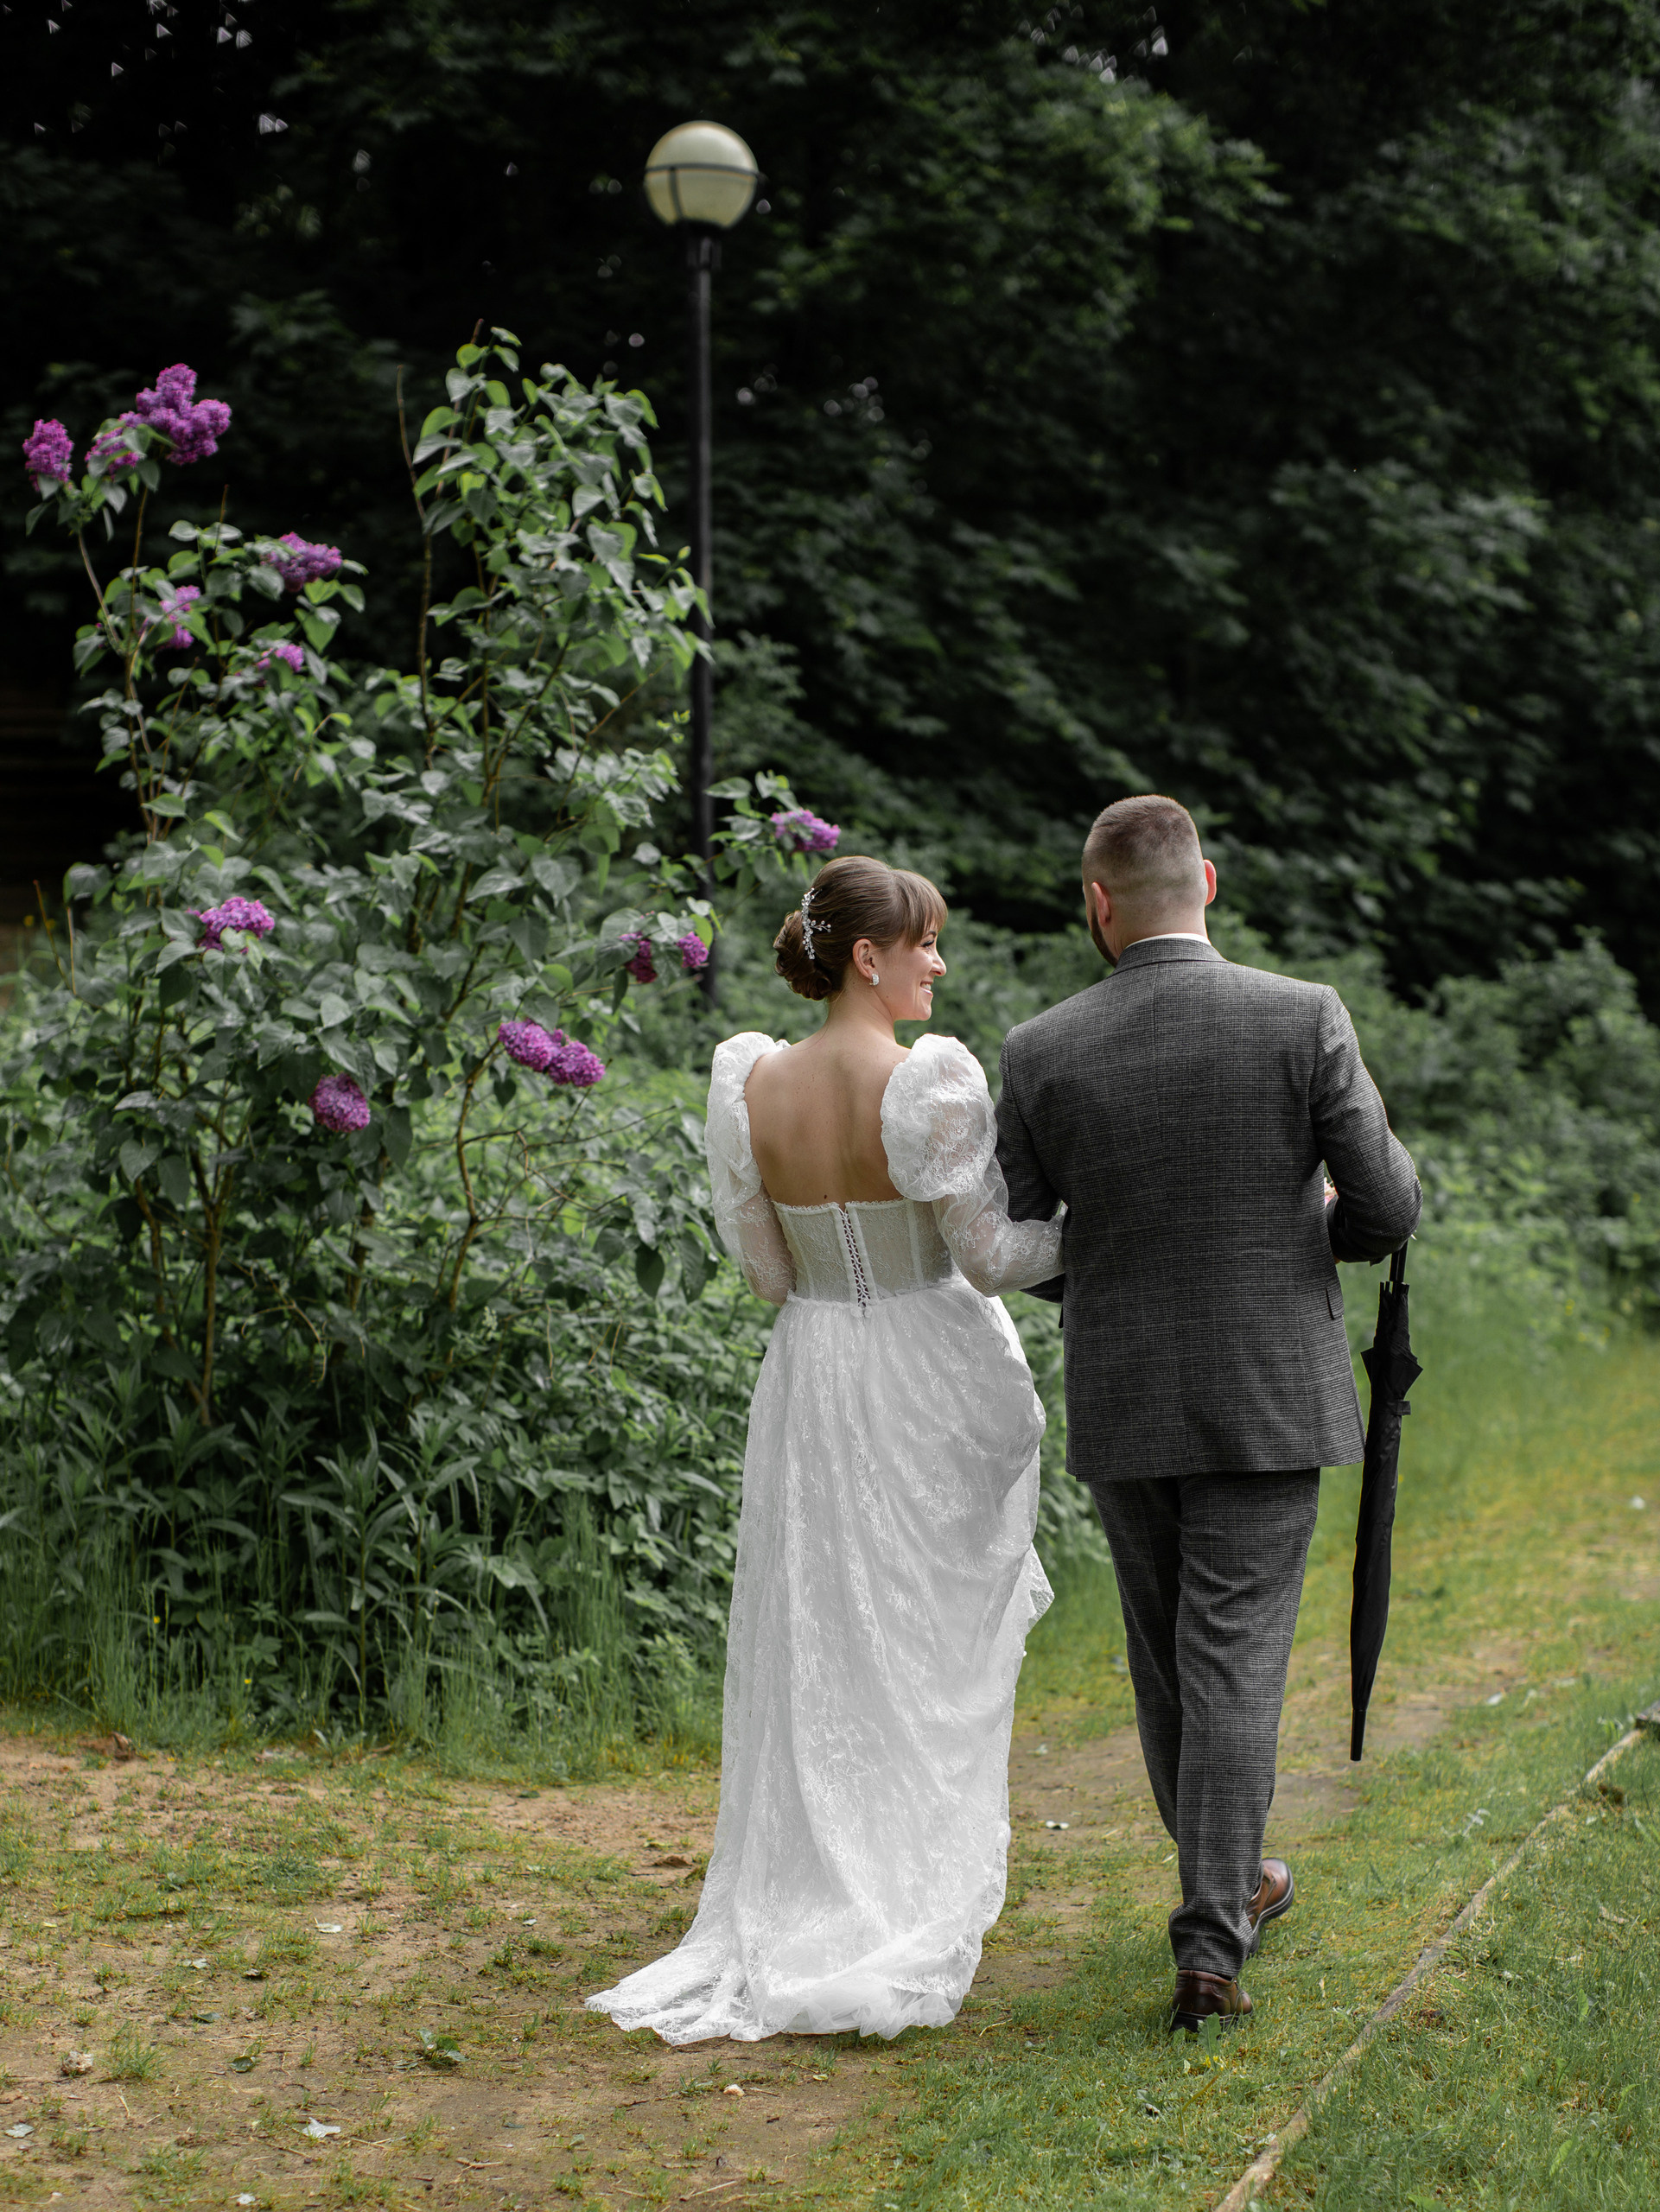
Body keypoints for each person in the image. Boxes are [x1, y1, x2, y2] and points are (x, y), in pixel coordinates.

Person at [587, 855, 1064, 2044]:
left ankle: (816, 1877)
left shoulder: (751, 1082)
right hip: (922, 1367)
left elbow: (763, 1275)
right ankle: (895, 1883)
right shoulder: (927, 1082)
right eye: (925, 945)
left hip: (812, 1370)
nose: (939, 965)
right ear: (869, 956)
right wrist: (1103, 1224)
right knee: (915, 1632)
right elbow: (993, 1258)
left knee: (827, 1626)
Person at [995, 795, 1421, 2037]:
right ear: (1208, 885)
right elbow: (1387, 1210)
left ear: (1096, 903)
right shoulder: (1300, 1016)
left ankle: (1225, 1891)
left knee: (1167, 1659)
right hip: (1266, 1385)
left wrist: (1116, 1274)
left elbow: (1027, 1241)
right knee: (1228, 1657)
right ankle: (1210, 1940)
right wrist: (1307, 1239)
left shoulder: (1040, 1046)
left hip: (1124, 1383)